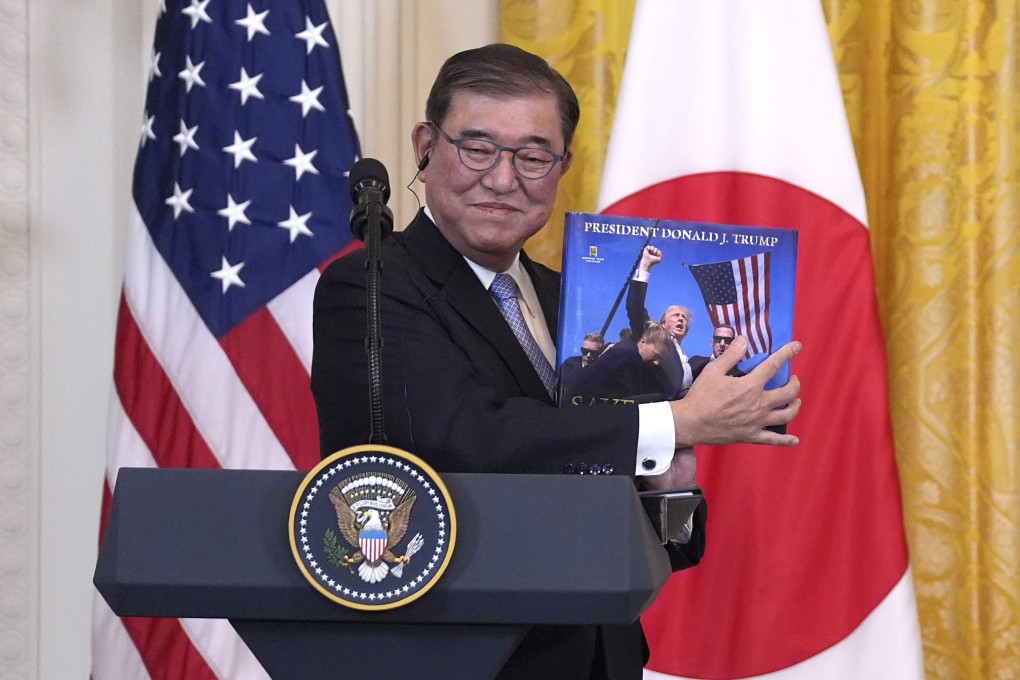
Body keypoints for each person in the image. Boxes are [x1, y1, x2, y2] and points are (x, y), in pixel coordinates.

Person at [311, 43, 801, 680]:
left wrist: (671, 480)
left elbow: (665, 548)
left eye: (533, 156)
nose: (503, 178)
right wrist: (672, 423)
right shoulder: (372, 286)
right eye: (477, 148)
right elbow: (462, 441)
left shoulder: (563, 300)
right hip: (458, 660)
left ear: (562, 165)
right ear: (424, 147)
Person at [626, 245, 695, 398]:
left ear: (687, 330)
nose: (681, 319)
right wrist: (646, 265)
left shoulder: (686, 359)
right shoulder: (653, 336)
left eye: (684, 318)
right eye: (676, 315)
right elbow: (634, 307)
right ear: (663, 324)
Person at [566, 324, 672, 403]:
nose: (657, 362)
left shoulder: (625, 349)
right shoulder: (629, 357)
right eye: (655, 355)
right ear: (643, 342)